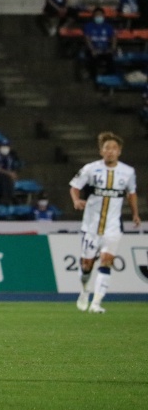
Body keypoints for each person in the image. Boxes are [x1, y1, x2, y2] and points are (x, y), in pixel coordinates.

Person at [69, 131, 139, 314]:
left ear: (119, 151)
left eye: (114, 148)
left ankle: (96, 303)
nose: (110, 151)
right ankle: (84, 290)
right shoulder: (90, 169)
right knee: (86, 265)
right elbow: (74, 187)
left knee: (106, 261)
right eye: (107, 148)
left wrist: (135, 214)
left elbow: (131, 194)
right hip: (91, 226)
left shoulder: (128, 172)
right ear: (101, 151)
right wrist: (76, 200)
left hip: (113, 226)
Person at [81, 6, 117, 80]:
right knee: (92, 58)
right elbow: (87, 38)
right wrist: (92, 49)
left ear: (103, 16)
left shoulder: (108, 26)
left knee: (110, 58)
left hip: (105, 49)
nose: (98, 16)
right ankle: (94, 76)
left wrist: (112, 48)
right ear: (93, 16)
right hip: (93, 49)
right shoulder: (89, 26)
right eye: (97, 15)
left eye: (100, 15)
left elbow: (113, 37)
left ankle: (108, 76)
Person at [0, 140, 18, 206]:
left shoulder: (11, 157)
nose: (5, 148)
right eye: (3, 146)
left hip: (9, 176)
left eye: (6, 146)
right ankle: (5, 199)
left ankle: (11, 197)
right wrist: (9, 174)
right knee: (5, 179)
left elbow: (13, 167)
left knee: (9, 180)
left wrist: (14, 174)